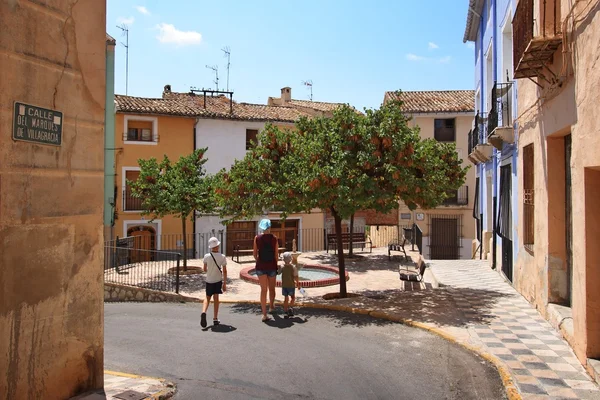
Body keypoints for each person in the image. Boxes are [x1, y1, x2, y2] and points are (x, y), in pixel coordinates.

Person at [253, 218, 279, 322]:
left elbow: (255, 254)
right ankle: (271, 307)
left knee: (263, 290)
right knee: (272, 289)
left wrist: (259, 261)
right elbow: (276, 254)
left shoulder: (257, 238)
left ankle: (264, 314)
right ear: (270, 227)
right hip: (271, 266)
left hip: (261, 267)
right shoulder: (274, 238)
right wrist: (275, 263)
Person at [201, 237, 227, 328]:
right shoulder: (222, 257)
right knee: (216, 298)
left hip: (209, 280)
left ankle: (203, 312)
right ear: (218, 246)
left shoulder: (206, 256)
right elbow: (225, 271)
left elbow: (204, 269)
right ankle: (215, 318)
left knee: (207, 297)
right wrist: (224, 283)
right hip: (218, 280)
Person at [278, 252, 300, 318]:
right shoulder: (293, 267)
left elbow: (278, 273)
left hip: (284, 285)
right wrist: (298, 283)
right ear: (291, 259)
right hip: (291, 286)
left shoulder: (282, 267)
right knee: (292, 297)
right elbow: (296, 276)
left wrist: (278, 268)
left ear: (283, 260)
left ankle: (285, 311)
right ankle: (290, 307)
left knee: (286, 298)